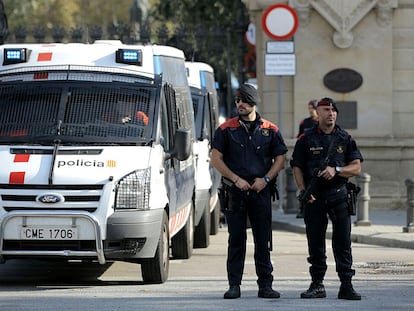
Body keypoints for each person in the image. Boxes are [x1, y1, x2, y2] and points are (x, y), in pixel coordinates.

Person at [211, 83, 288, 299]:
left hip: (260, 192)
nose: (240, 104)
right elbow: (215, 158)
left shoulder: (270, 130)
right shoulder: (226, 129)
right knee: (236, 240)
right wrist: (235, 179)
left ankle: (265, 285)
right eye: (237, 101)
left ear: (253, 102)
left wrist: (265, 179)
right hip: (235, 193)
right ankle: (234, 285)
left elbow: (280, 158)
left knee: (262, 240)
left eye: (244, 100)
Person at [290, 97, 363, 300]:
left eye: (333, 110)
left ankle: (346, 285)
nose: (330, 113)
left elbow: (356, 167)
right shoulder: (305, 139)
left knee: (343, 242)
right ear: (318, 113)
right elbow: (297, 167)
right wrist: (304, 192)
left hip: (339, 197)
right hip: (315, 198)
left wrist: (337, 170)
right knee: (315, 243)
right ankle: (317, 284)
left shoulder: (345, 138)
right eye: (326, 109)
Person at [296, 100, 319, 218]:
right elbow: (299, 138)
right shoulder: (304, 123)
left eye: (313, 108)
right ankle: (302, 209)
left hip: (318, 159)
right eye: (309, 108)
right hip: (306, 158)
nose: (311, 110)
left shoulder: (321, 122)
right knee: (304, 185)